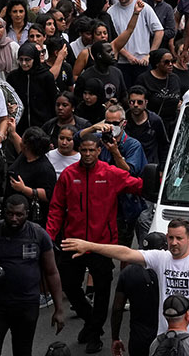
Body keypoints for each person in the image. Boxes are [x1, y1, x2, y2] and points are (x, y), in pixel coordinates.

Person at [61, 219, 189, 351]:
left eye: (179, 238)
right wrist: (90, 246)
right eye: (170, 238)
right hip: (164, 340)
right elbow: (125, 253)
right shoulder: (160, 258)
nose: (174, 243)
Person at [45, 133, 143, 353]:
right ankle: (92, 324)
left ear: (99, 151)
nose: (88, 154)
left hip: (102, 243)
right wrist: (49, 237)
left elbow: (138, 184)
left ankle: (94, 333)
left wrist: (161, 180)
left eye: (92, 150)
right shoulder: (69, 175)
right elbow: (56, 208)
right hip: (72, 241)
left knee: (101, 290)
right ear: (79, 150)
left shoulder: (110, 173)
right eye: (84, 150)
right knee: (69, 285)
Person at [0, 194, 66, 356]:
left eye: (19, 214)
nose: (14, 218)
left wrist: (59, 309)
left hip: (27, 305)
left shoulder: (39, 235)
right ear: (3, 212)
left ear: (28, 213)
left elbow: (52, 272)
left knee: (23, 351)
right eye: (10, 213)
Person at [112, 232, 166, 356]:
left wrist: (115, 337)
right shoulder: (169, 270)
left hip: (138, 337)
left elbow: (117, 309)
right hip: (164, 335)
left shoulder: (128, 272)